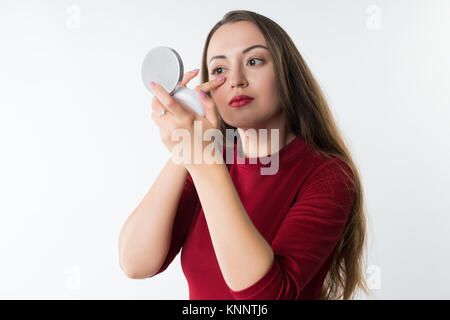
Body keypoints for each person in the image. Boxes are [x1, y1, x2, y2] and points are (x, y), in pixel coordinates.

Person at [118, 10, 372, 300]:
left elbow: (263, 298)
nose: (236, 80)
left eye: (254, 61)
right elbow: (135, 263)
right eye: (219, 71)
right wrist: (185, 147)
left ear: (286, 73)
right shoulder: (210, 160)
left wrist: (201, 160)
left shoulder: (328, 176)